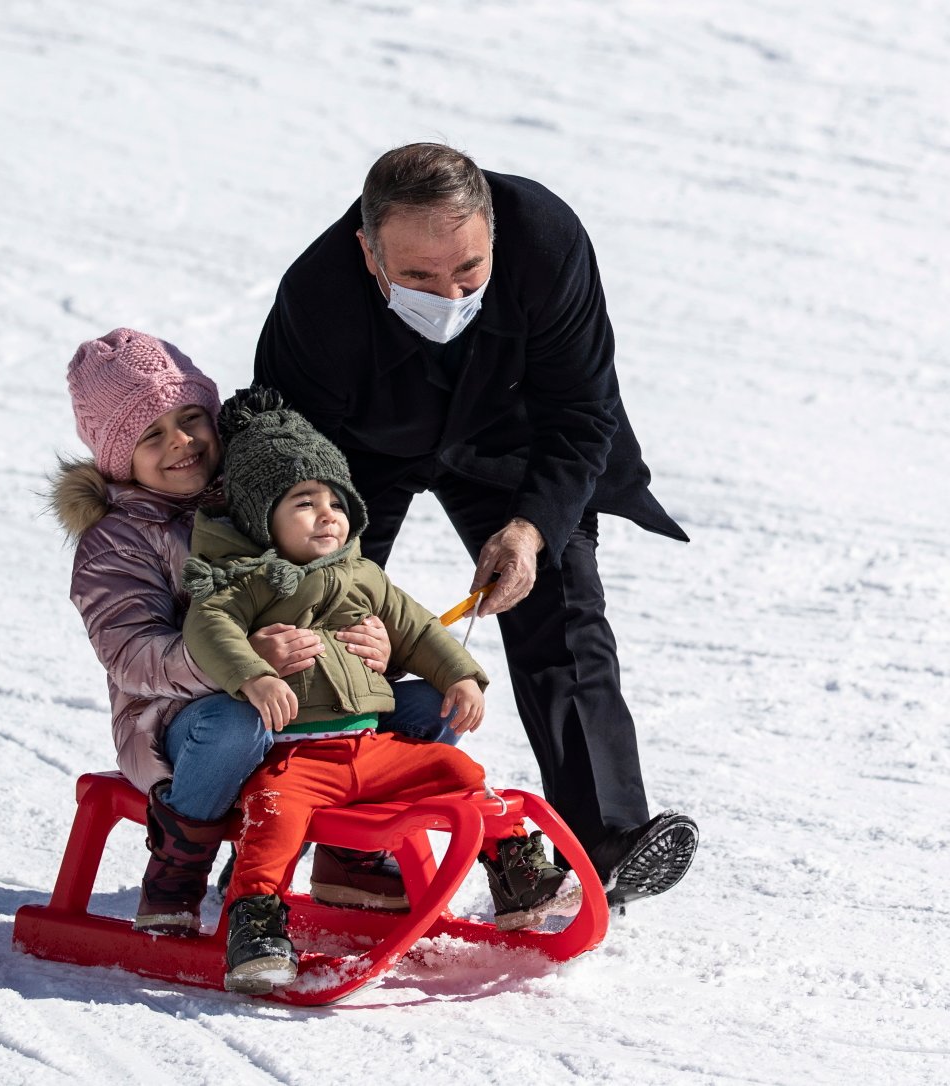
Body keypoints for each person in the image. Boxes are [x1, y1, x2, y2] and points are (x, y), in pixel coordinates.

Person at [252, 143, 698, 907]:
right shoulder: (316, 299)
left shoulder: (547, 241)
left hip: (510, 433)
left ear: (494, 234)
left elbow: (584, 411)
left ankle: (605, 840)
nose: (447, 293)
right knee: (325, 620)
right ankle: (286, 839)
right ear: (368, 249)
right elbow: (284, 455)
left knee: (558, 600)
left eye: (468, 271)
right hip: (358, 452)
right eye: (418, 278)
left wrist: (529, 529)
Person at [179, 389, 580, 994]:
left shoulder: (363, 575)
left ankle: (518, 876)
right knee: (272, 817)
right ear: (262, 515)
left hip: (370, 751)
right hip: (296, 758)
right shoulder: (246, 580)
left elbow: (417, 628)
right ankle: (257, 925)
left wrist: (461, 676)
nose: (327, 515)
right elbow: (207, 626)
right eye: (303, 502)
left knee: (458, 768)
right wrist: (254, 673)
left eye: (335, 501)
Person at [50, 328, 444, 934]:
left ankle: (349, 852)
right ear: (116, 454)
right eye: (150, 435)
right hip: (183, 725)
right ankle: (179, 866)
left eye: (190, 418)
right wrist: (237, 665)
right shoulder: (116, 540)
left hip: (304, 707)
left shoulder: (256, 500)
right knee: (239, 722)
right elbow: (130, 653)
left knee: (427, 706)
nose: (180, 442)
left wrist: (374, 649)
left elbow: (337, 589)